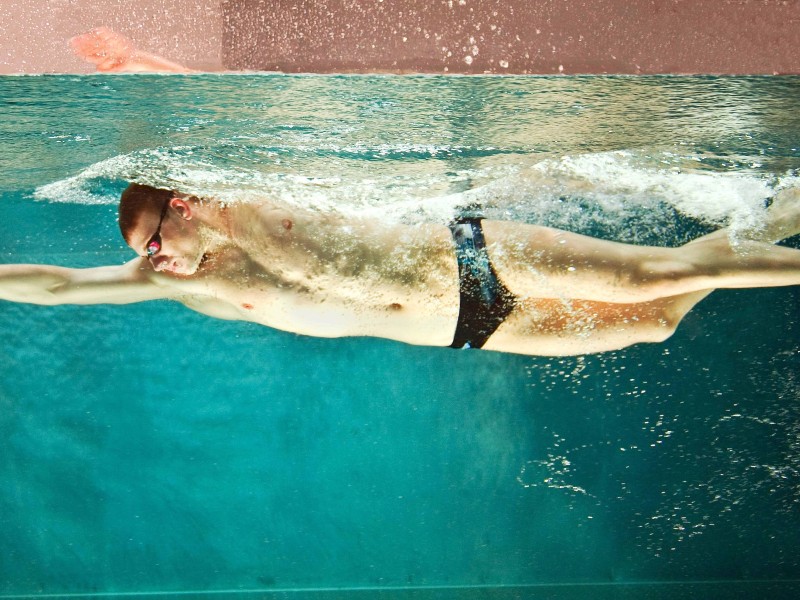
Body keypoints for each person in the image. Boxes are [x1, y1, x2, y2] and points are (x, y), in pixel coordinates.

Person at [1, 184, 799, 356]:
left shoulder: (252, 194)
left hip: (470, 256)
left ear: (180, 204)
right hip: (469, 326)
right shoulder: (193, 280)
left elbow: (238, 93)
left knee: (653, 278)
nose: (154, 262)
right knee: (657, 319)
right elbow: (60, 285)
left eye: (151, 241)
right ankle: (783, 213)